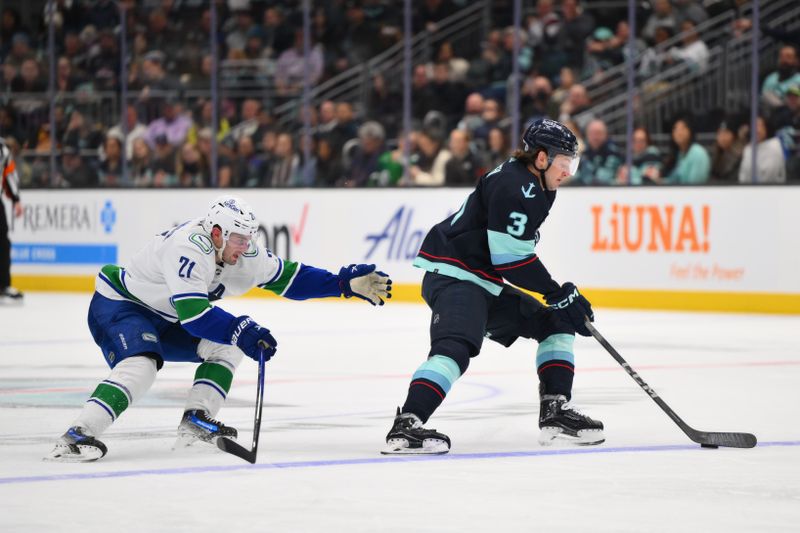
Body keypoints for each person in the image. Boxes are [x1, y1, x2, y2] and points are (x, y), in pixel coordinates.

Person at [46, 195, 392, 462]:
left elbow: (290, 278)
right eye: (239, 239)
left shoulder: (242, 249)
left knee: (226, 348)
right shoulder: (187, 247)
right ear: (216, 233)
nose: (246, 247)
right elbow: (196, 315)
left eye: (248, 238)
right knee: (142, 364)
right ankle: (77, 435)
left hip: (168, 317)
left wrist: (343, 285)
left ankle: (196, 420)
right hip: (122, 305)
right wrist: (240, 326)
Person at [382, 119, 603, 455]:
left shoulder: (539, 186)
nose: (569, 172)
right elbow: (510, 260)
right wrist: (556, 292)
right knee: (456, 347)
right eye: (564, 163)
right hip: (455, 273)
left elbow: (512, 256)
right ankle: (407, 424)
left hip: (484, 280)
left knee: (556, 324)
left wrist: (557, 299)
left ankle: (554, 414)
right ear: (541, 158)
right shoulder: (517, 186)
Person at [0, 137, 23, 303]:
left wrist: (15, 199)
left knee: (2, 243)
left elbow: (8, 172)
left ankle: (3, 286)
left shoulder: (1, 147)